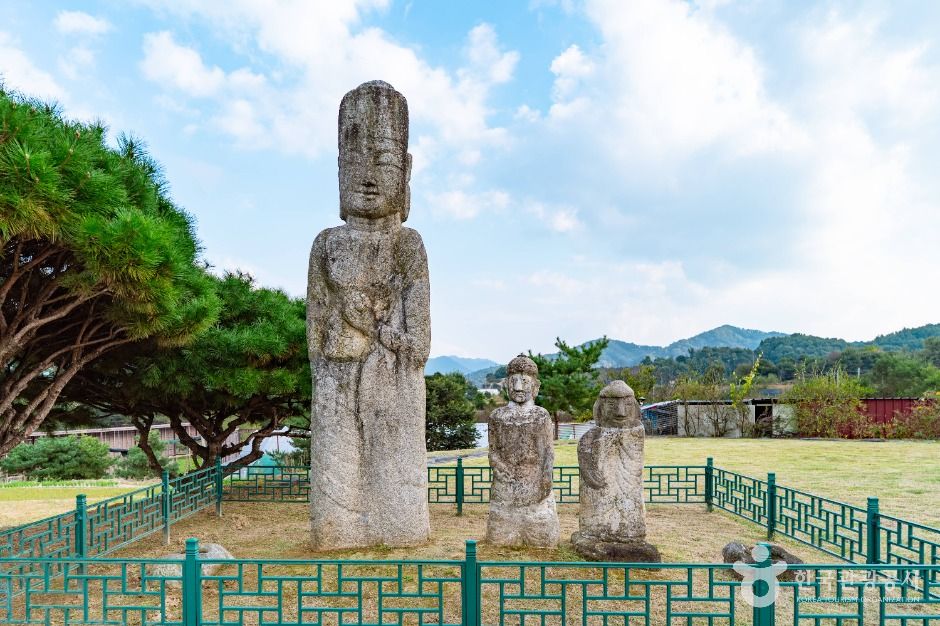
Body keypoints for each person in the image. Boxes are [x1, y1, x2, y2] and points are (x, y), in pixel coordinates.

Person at [307, 81, 431, 549]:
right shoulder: (327, 243)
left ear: (405, 170)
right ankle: (337, 533)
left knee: (393, 470)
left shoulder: (407, 244)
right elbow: (314, 331)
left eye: (382, 160)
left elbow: (419, 341)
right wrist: (330, 365)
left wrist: (374, 328)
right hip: (335, 378)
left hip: (394, 378)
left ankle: (398, 530)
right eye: (354, 161)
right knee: (336, 471)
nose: (367, 176)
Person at [485, 354, 559, 547]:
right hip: (505, 487)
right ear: (506, 384)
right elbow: (493, 451)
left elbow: (547, 454)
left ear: (536, 385)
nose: (518, 387)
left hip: (534, 486)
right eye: (514, 381)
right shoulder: (497, 416)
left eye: (524, 381)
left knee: (540, 530)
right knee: (501, 533)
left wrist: (545, 479)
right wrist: (498, 465)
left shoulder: (540, 416)